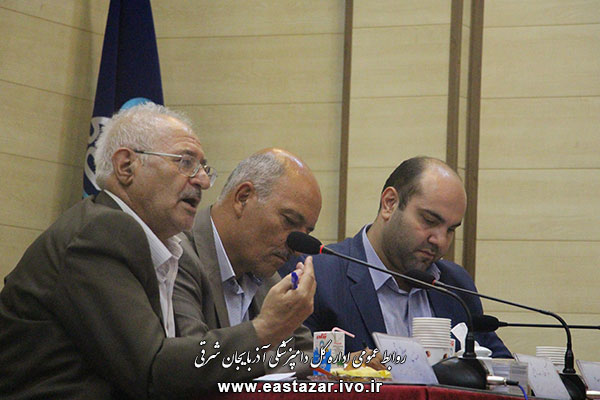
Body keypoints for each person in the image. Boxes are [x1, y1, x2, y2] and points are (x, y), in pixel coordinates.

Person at [0, 104, 316, 399]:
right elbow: (152, 373)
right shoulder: (101, 233)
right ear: (126, 166)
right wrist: (265, 329)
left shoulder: (160, 244)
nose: (203, 181)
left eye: (203, 167)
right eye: (186, 163)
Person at [280, 156, 511, 358]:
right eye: (429, 221)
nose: (440, 240)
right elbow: (287, 366)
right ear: (390, 203)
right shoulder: (317, 277)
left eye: (450, 230)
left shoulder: (455, 286)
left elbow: (502, 364)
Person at [173, 148, 322, 377]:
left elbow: (307, 354)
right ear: (243, 198)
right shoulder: (178, 255)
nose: (297, 248)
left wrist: (346, 362)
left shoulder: (268, 275)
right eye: (290, 221)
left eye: (306, 233)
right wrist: (267, 328)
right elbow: (194, 365)